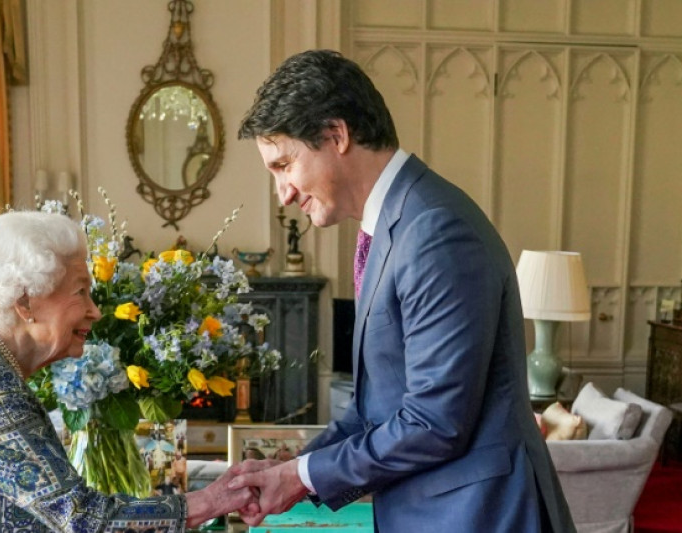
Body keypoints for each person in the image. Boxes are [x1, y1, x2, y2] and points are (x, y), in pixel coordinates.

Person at [229, 49, 575, 532]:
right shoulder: (395, 223)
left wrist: (301, 477)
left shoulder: (435, 229)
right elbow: (375, 410)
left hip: (480, 516)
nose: (283, 194)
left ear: (336, 135)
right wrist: (291, 470)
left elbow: (435, 423)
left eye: (284, 165)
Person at [0, 211, 256, 532]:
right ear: (25, 302)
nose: (95, 311)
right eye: (81, 292)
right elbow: (82, 519)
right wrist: (210, 501)